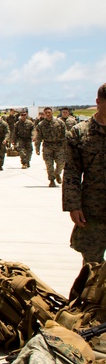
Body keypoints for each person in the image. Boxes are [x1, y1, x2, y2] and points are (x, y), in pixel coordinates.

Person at [64, 83, 106, 263]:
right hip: (92, 211)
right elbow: (72, 173)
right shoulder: (80, 132)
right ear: (98, 102)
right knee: (92, 267)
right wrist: (73, 206)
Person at [35, 106, 68, 187]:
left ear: (52, 113)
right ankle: (51, 180)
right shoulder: (41, 125)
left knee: (61, 163)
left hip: (59, 145)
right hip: (47, 146)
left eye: (49, 112)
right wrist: (37, 147)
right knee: (49, 164)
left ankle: (57, 173)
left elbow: (65, 135)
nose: (47, 114)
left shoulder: (59, 122)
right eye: (46, 113)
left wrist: (66, 146)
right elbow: (38, 137)